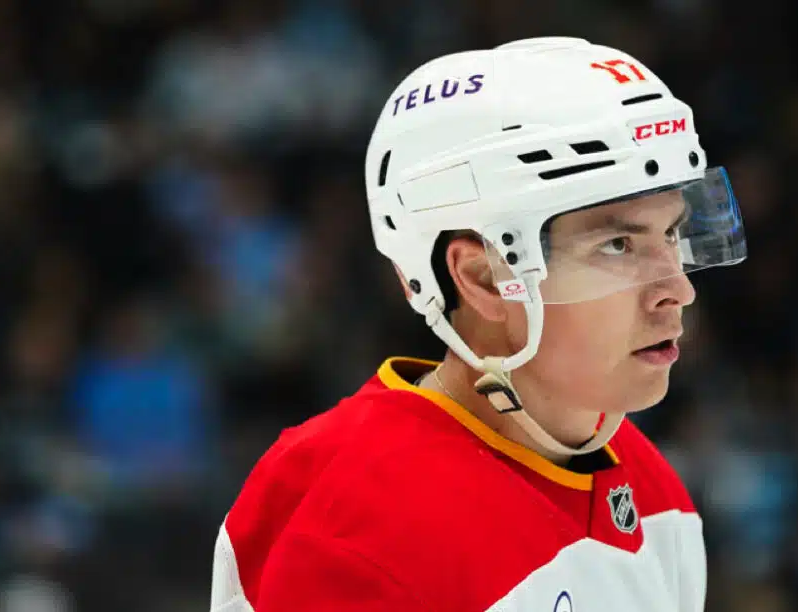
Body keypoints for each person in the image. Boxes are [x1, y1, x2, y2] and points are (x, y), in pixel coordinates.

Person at [208, 36, 747, 612]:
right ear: (484, 278)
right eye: (618, 245)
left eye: (669, 234)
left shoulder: (646, 482)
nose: (677, 289)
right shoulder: (356, 533)